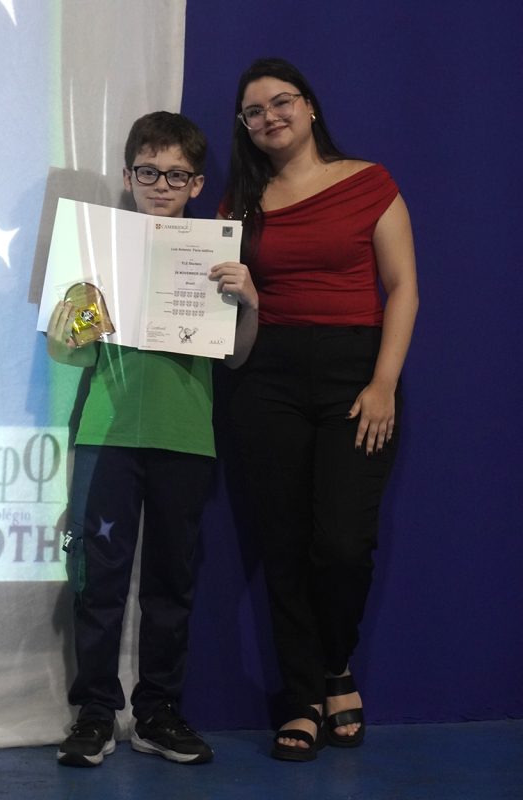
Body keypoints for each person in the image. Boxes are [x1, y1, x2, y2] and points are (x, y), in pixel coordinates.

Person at [217, 57, 419, 762]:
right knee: (283, 543)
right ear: (244, 126)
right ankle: (303, 696)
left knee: (340, 545)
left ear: (308, 106)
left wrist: (383, 382)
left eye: (281, 102)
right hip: (264, 381)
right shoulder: (240, 204)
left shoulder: (370, 183)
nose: (269, 117)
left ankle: (336, 665)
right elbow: (226, 307)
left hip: (354, 378)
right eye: (254, 111)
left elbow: (403, 287)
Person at [47, 111, 258, 768]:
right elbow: (67, 352)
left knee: (171, 581)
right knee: (97, 581)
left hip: (185, 441)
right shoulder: (99, 250)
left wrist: (250, 301)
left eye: (175, 175)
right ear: (128, 176)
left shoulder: (217, 255)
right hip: (107, 437)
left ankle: (158, 712)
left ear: (196, 184)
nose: (161, 184)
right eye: (148, 172)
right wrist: (69, 322)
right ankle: (94, 713)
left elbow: (237, 356)